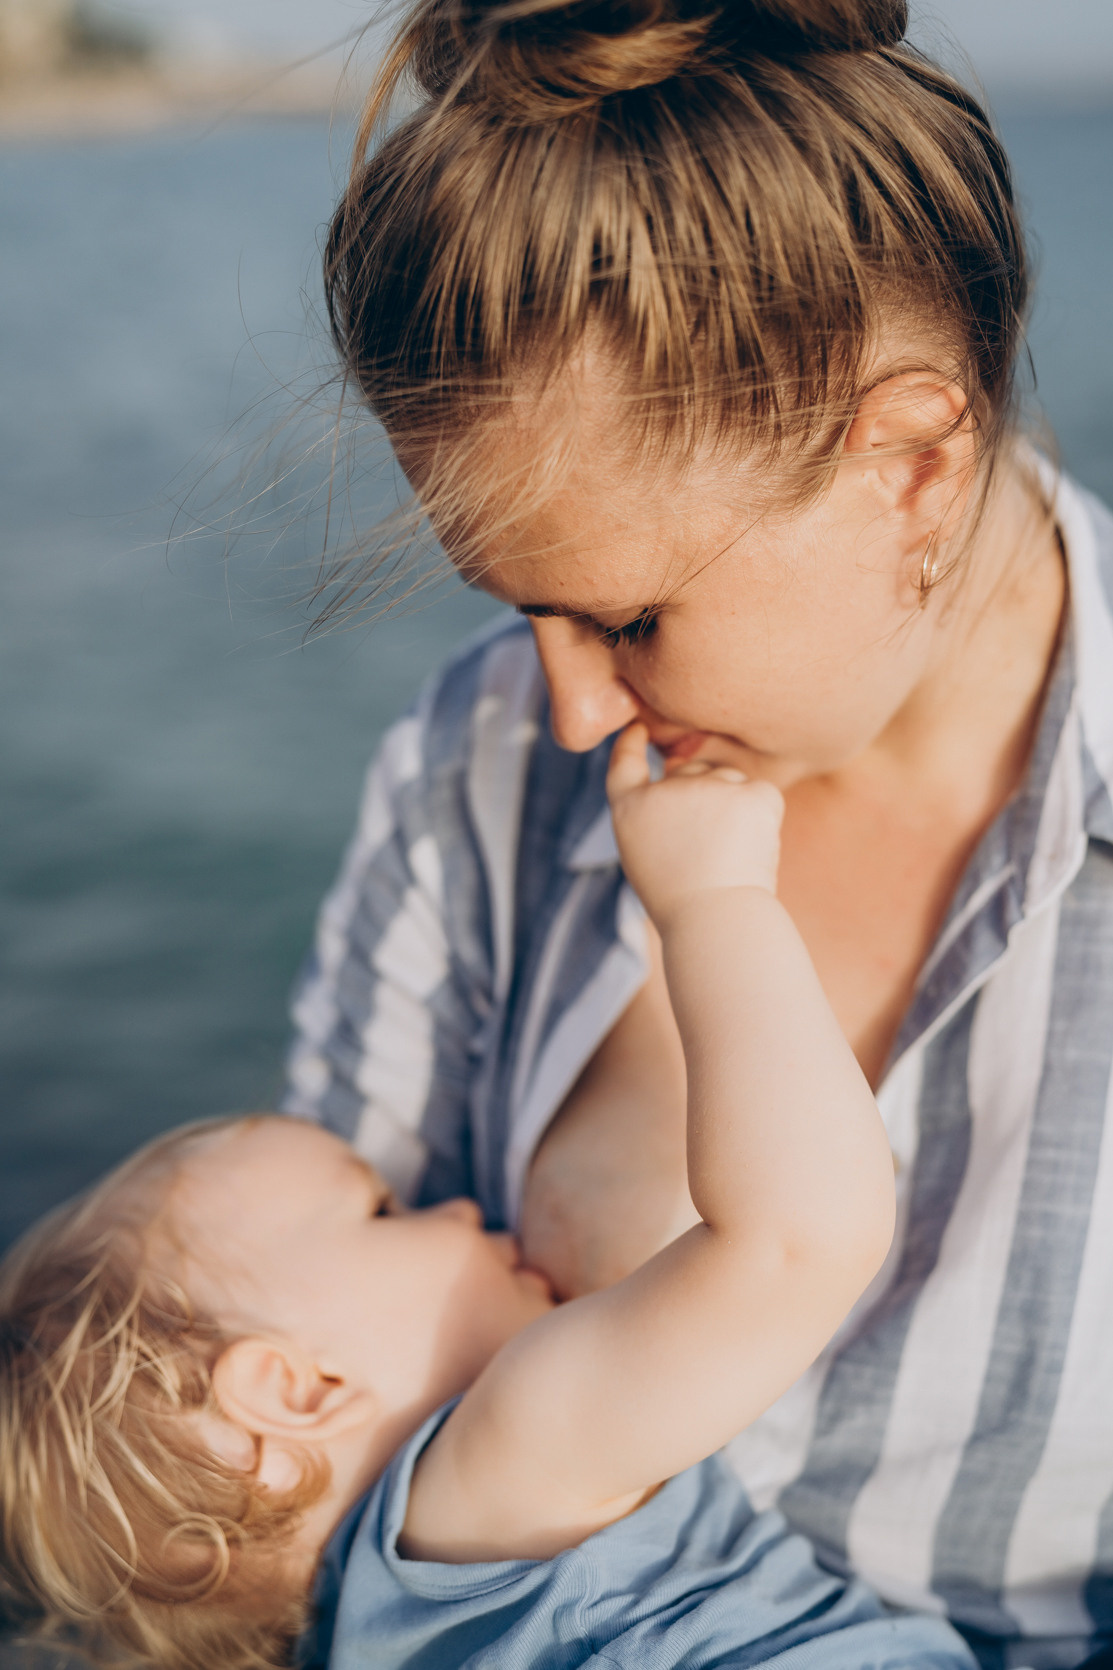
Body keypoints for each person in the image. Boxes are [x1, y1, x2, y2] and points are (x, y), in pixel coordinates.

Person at [284, 0, 1113, 1666]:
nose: (570, 713)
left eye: (630, 618)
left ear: (908, 460)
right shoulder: (476, 759)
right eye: (518, 608)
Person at [0, 725, 978, 1670]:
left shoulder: (370, 1629)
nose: (462, 1207)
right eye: (382, 1211)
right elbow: (798, 1243)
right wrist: (712, 901)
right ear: (299, 1390)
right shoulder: (515, 1450)